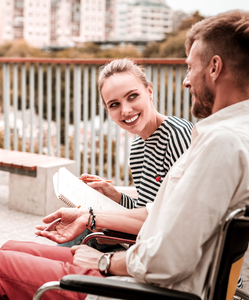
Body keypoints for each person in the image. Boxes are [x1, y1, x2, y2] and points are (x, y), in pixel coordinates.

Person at [0, 10, 249, 300]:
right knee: (10, 249)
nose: (186, 80)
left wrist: (104, 262)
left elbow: (170, 260)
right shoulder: (236, 138)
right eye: (113, 104)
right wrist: (89, 216)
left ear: (214, 67)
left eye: (189, 67)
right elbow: (160, 213)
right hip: (147, 275)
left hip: (143, 287)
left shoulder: (223, 145)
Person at [60, 58, 193, 249]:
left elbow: (184, 221)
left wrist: (110, 230)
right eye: (114, 104)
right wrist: (115, 196)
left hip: (166, 255)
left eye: (132, 96)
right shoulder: (138, 146)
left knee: (80, 233)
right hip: (146, 244)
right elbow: (145, 209)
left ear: (149, 91)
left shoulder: (178, 136)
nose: (126, 110)